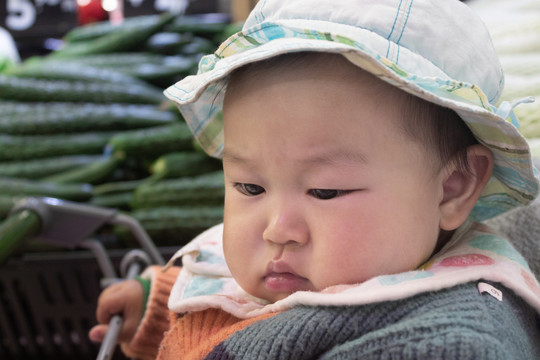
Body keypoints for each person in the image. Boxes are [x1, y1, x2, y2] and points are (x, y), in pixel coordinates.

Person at [89, 0, 540, 358]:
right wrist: (154, 305)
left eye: (325, 191)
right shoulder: (336, 266)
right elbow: (224, 304)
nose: (276, 229)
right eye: (249, 187)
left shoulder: (448, 337)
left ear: (453, 187)